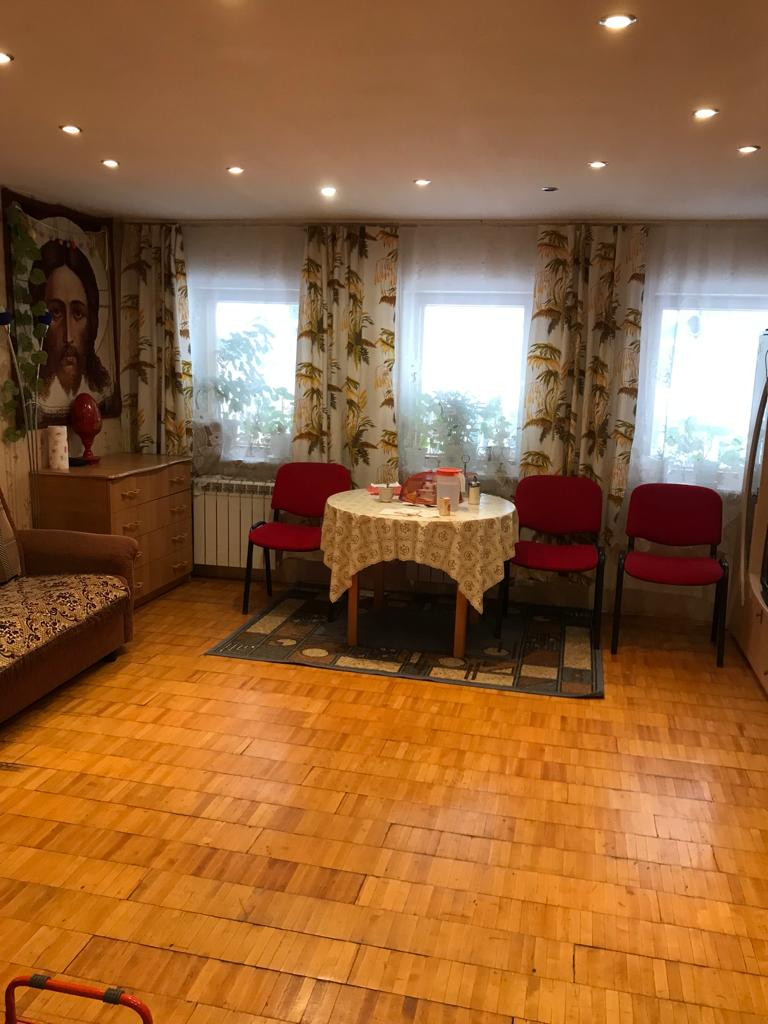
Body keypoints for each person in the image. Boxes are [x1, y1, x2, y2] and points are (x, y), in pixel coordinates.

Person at [28, 239, 111, 418]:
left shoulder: (99, 390)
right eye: (56, 313)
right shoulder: (35, 393)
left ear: (92, 322)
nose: (68, 337)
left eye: (78, 313)